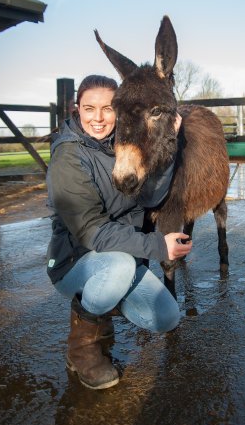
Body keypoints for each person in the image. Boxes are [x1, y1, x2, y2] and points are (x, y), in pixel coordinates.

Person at [46, 74, 192, 390]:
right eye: (89, 108)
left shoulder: (122, 145)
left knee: (166, 317)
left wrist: (169, 138)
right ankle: (82, 348)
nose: (98, 118)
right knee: (120, 267)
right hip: (76, 263)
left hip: (119, 260)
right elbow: (92, 232)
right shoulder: (68, 156)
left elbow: (151, 197)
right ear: (77, 108)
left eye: (107, 108)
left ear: (120, 110)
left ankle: (106, 300)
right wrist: (157, 246)